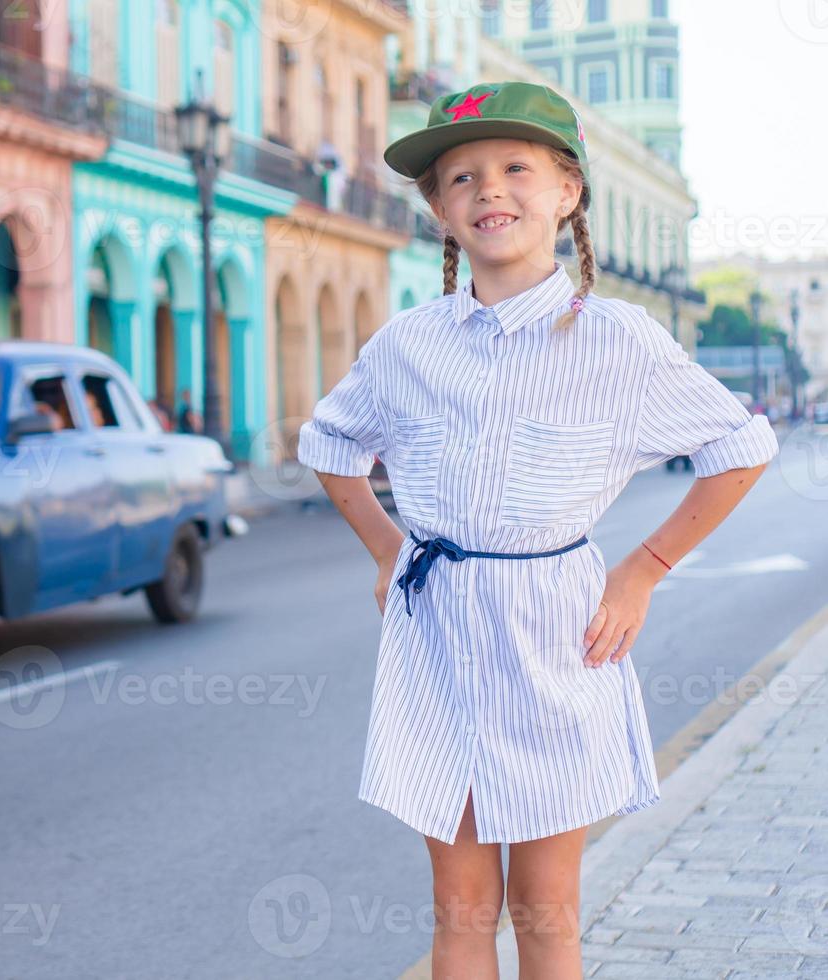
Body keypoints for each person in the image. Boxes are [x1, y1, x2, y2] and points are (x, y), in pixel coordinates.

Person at [297, 81, 779, 977]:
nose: (490, 190)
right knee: (460, 911)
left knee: (547, 914)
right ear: (439, 210)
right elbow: (327, 439)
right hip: (436, 636)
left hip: (556, 643)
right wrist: (387, 546)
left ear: (568, 194)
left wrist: (642, 569)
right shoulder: (408, 345)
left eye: (517, 167)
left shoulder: (619, 341)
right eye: (461, 177)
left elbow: (742, 445)